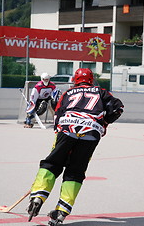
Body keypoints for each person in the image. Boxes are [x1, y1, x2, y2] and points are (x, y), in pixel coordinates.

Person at [27, 68, 124, 225]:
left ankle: (38, 196)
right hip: (92, 131)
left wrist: (60, 132)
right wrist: (104, 123)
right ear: (91, 80)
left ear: (75, 80)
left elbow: (57, 114)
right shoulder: (101, 91)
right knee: (76, 171)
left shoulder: (68, 93)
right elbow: (118, 108)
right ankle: (62, 211)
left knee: (53, 163)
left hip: (67, 128)